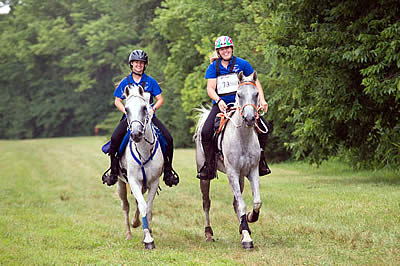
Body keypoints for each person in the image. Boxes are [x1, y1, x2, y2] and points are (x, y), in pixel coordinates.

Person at [103, 49, 179, 187]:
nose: (139, 65)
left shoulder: (151, 81)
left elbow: (160, 99)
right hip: (130, 118)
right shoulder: (125, 82)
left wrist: (153, 109)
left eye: (141, 63)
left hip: (148, 118)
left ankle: (168, 171)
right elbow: (117, 101)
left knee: (168, 139)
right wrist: (126, 113)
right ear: (131, 64)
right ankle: (113, 171)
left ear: (145, 65)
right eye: (136, 62)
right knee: (115, 139)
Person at [198, 36, 271, 179]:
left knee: (265, 128)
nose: (225, 51)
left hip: (243, 105)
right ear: (218, 51)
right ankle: (209, 166)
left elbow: (255, 82)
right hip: (222, 106)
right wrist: (218, 100)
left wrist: (262, 100)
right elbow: (210, 89)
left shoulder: (242, 64)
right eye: (222, 49)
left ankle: (261, 160)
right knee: (206, 132)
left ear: (232, 48)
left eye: (227, 48)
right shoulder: (214, 67)